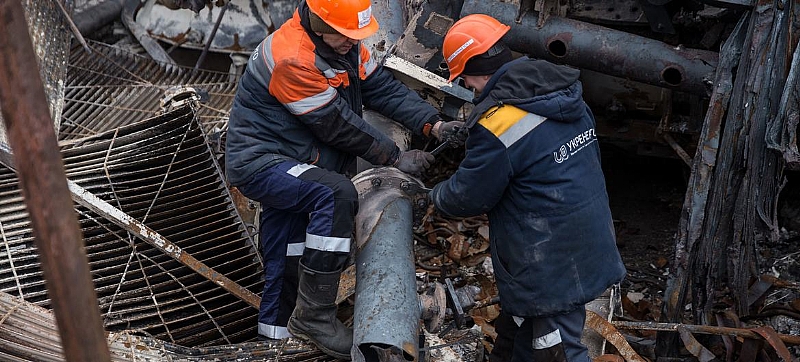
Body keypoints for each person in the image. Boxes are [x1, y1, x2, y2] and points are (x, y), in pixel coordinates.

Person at [224, 0, 463, 358]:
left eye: (356, 35)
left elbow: (380, 88)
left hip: (296, 159)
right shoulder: (292, 57)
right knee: (335, 195)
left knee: (287, 254)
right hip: (263, 163)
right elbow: (336, 124)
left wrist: (434, 124)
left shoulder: (343, 45)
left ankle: (272, 345)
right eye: (346, 35)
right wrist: (396, 157)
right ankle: (314, 317)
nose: (354, 42)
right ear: (320, 23)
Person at [431, 14, 626, 362]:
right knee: (522, 340)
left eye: (465, 79)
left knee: (559, 351)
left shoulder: (497, 123)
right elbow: (541, 154)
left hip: (548, 259)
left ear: (473, 68)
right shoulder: (560, 88)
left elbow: (468, 196)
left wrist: (432, 194)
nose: (470, 88)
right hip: (588, 235)